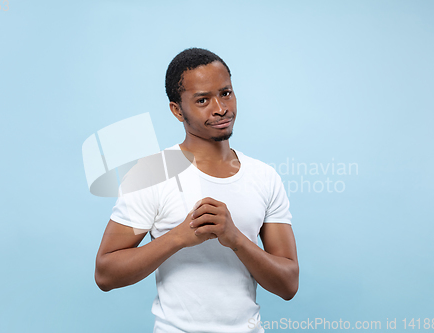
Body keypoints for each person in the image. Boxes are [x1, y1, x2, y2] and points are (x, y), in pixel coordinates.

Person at [95, 48, 299, 333]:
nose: (220, 108)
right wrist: (178, 237)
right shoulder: (151, 173)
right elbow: (105, 274)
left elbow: (288, 284)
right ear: (177, 110)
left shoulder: (264, 176)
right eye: (202, 100)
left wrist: (236, 239)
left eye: (226, 93)